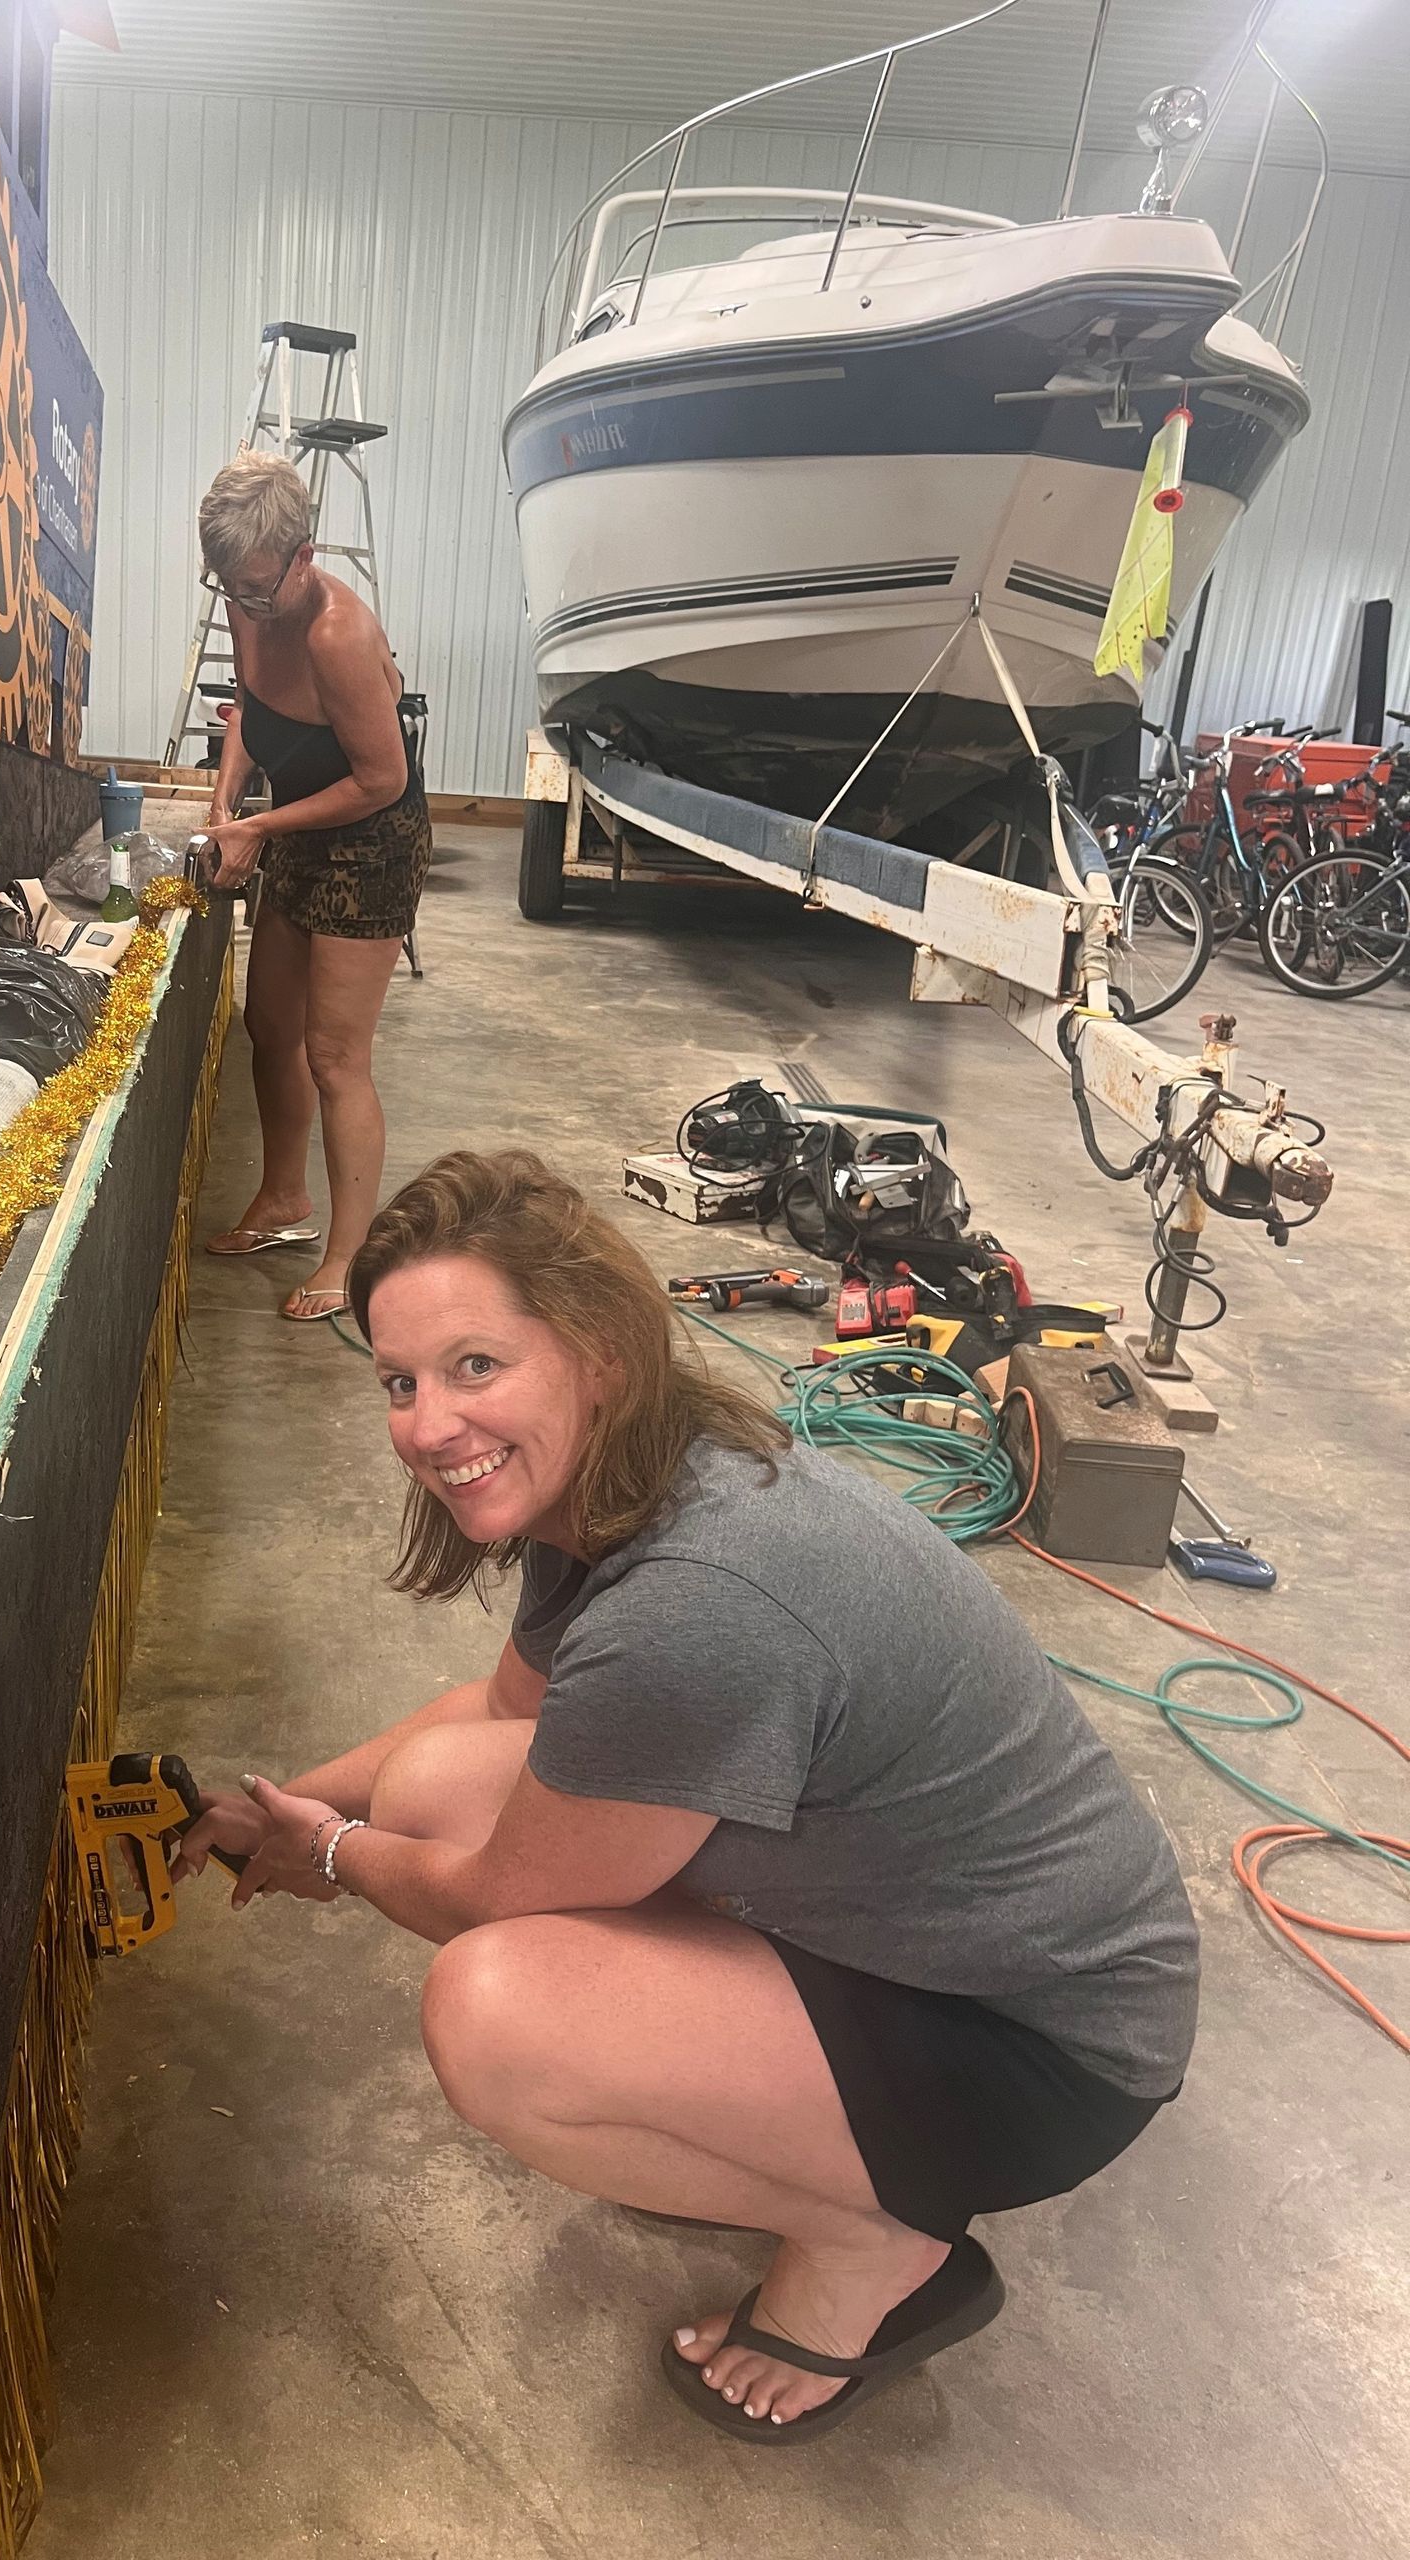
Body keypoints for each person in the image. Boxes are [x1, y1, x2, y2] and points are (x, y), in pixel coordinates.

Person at [178, 1150, 1199, 2443]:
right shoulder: (628, 1483)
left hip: (1044, 2045)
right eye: (402, 1382)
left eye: (476, 1368)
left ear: (598, 1350)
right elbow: (498, 1717)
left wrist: (327, 1855)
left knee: (500, 2015)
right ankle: (795, 2141)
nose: (429, 1425)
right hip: (931, 1936)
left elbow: (495, 1899)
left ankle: (878, 2243)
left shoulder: (696, 1602)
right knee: (442, 1779)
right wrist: (262, 1806)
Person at [195, 452, 432, 1322]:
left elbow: (379, 779)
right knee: (269, 1026)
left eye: (259, 590)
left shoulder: (337, 633)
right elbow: (248, 715)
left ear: (305, 555)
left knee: (335, 1057)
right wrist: (227, 799)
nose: (245, 606)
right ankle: (282, 1199)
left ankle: (347, 1254)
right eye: (231, 589)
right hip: (295, 818)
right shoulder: (247, 590)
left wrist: (258, 827)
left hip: (368, 840)